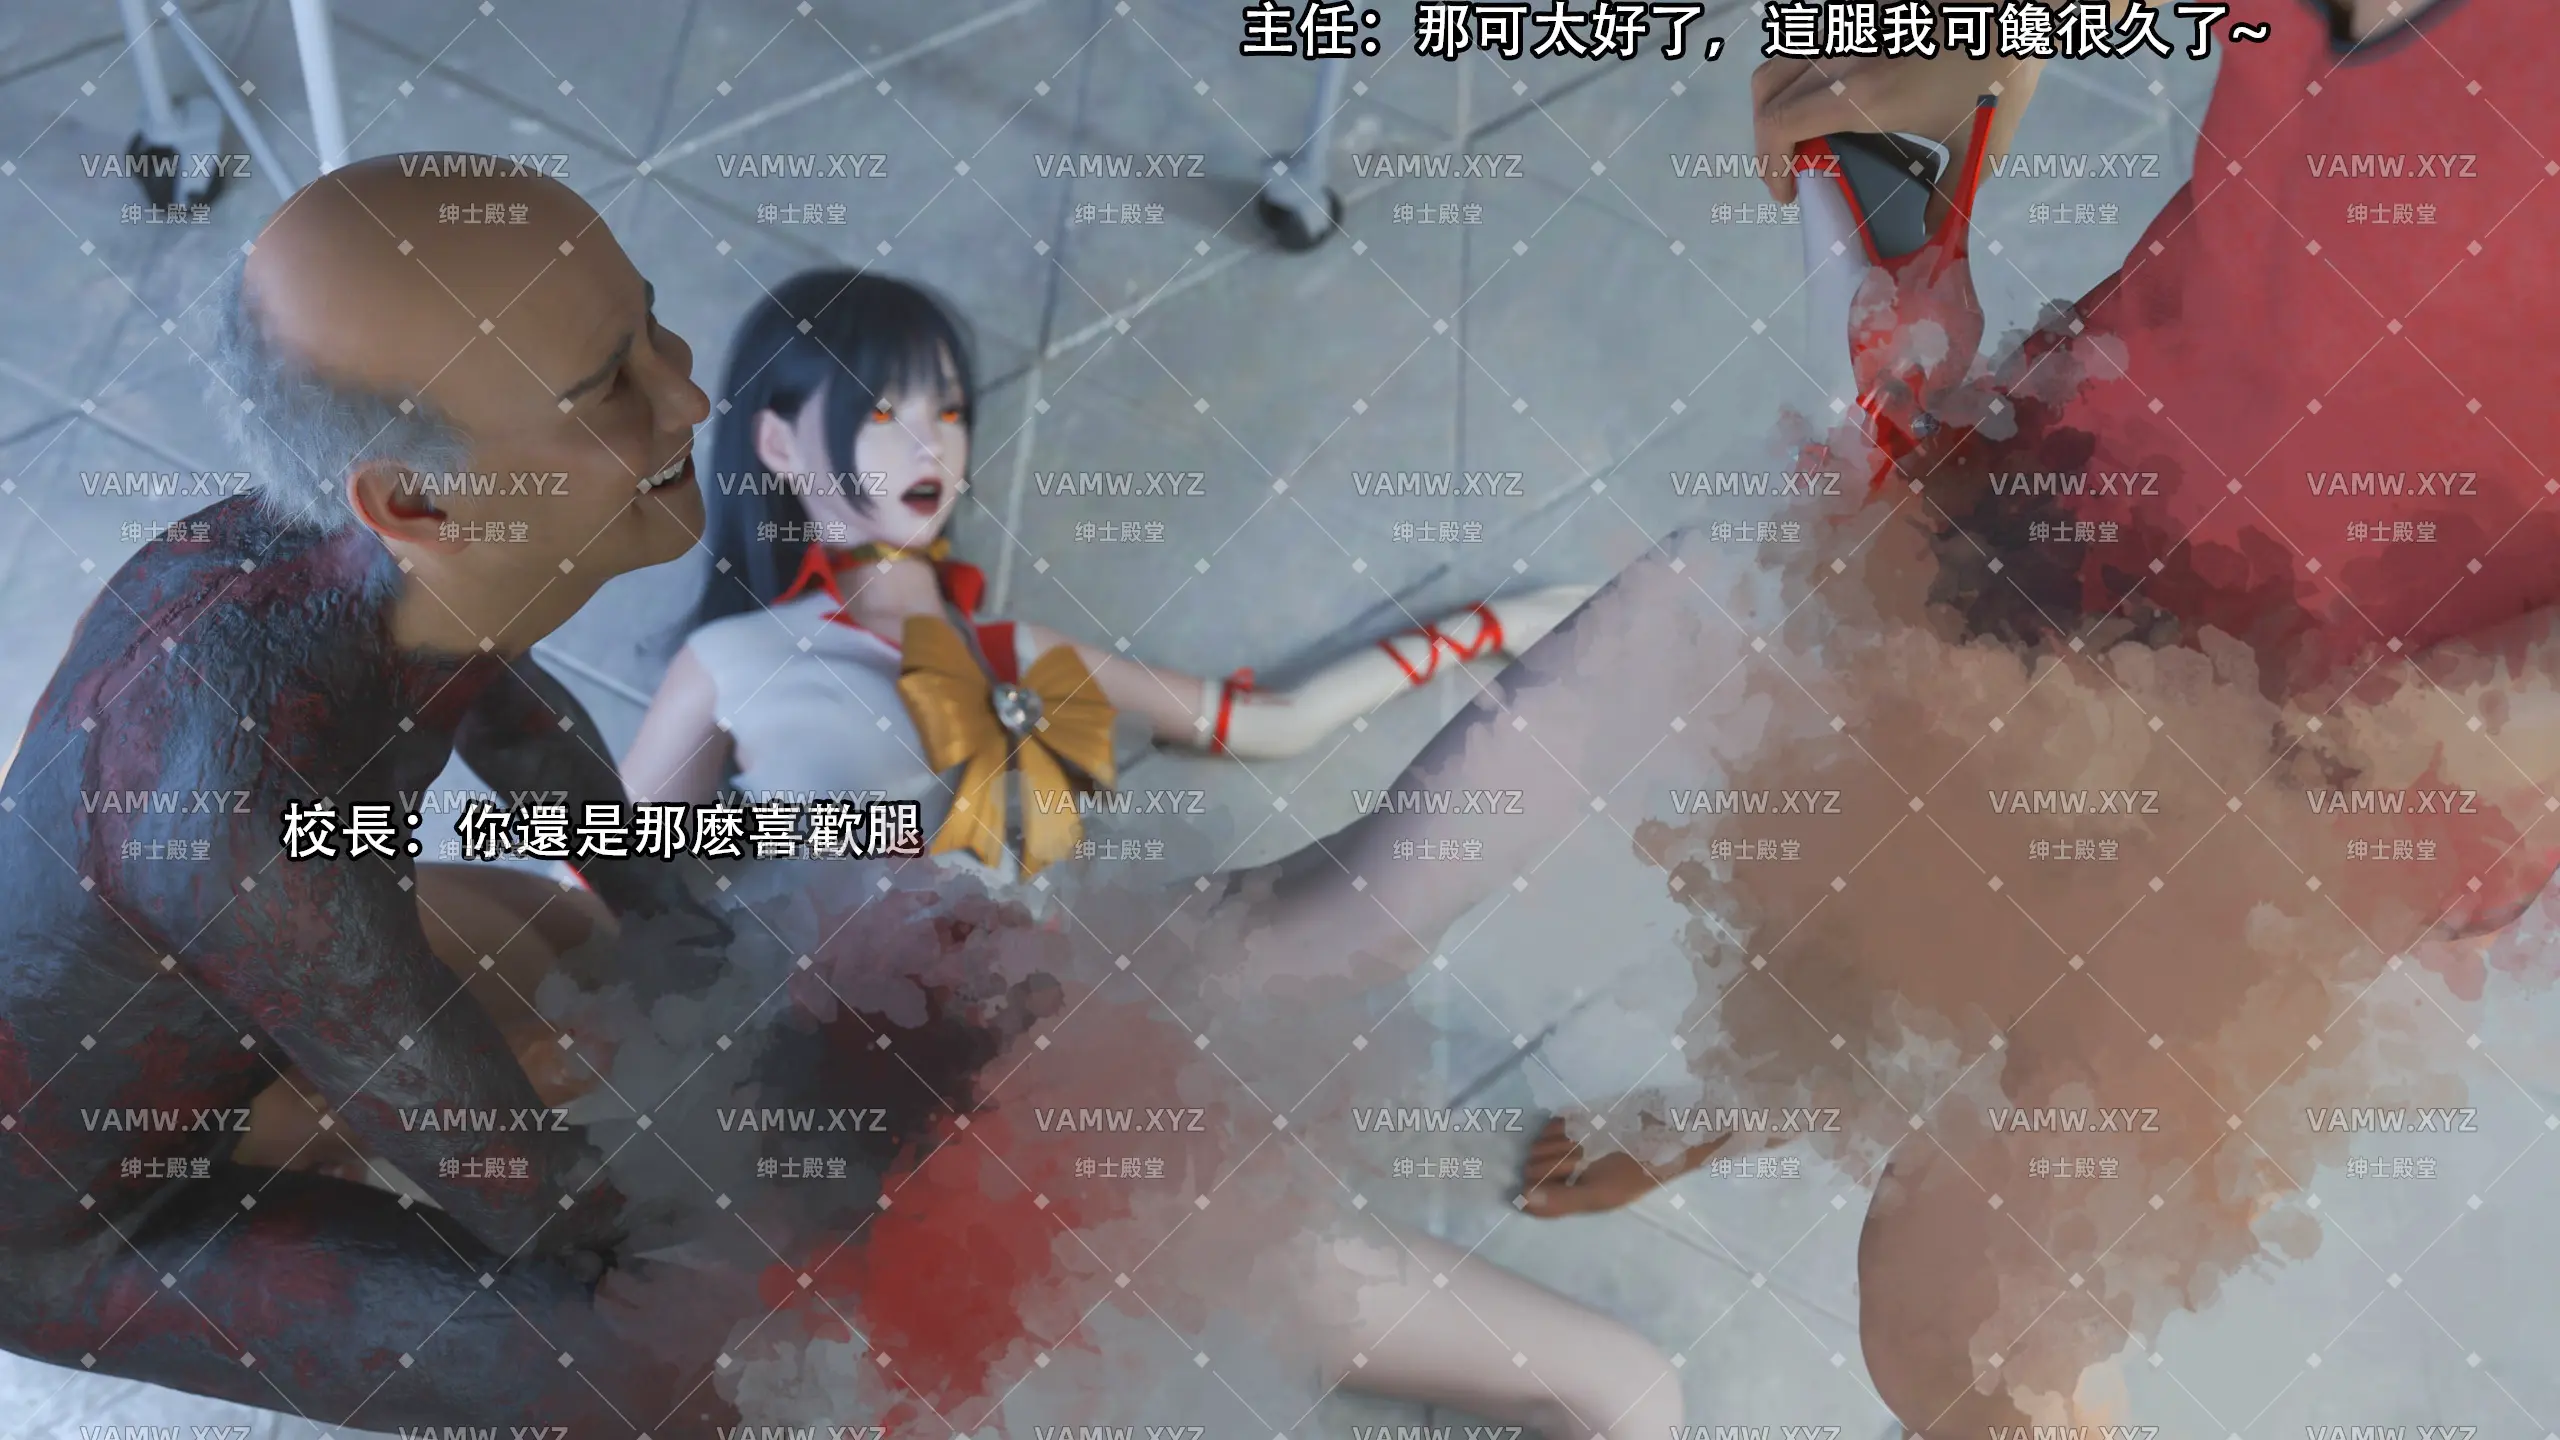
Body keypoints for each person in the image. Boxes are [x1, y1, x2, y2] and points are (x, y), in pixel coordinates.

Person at [0, 157, 1686, 1439]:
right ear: (412, 501)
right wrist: (833, 1107)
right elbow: (526, 1179)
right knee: (669, 1343)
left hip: (1008, 1016)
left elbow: (552, 773)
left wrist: (728, 958)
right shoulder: (293, 792)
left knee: (1276, 992)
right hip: (104, 1199)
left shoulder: (352, 573)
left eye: (656, 331)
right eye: (607, 388)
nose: (687, 398)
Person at [1485, 0, 2560, 1435]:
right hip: (2112, 471)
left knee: (1963, 1329)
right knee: (1876, 885)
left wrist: (2389, 772)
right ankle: (1760, 1090)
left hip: (2377, 748)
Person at [619, 268, 1592, 865]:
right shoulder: (736, 659)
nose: (931, 446)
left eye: (947, 411)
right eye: (882, 411)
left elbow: (1270, 721)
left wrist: (1495, 628)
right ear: (778, 444)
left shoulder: (1011, 655)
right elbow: (618, 867)